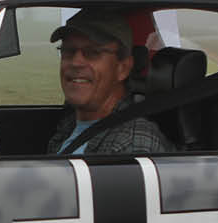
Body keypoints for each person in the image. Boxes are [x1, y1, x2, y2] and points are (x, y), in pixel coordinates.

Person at [44, 9, 173, 155]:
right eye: (68, 51)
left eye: (93, 52)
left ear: (123, 68)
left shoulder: (131, 144)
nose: (75, 62)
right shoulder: (71, 122)